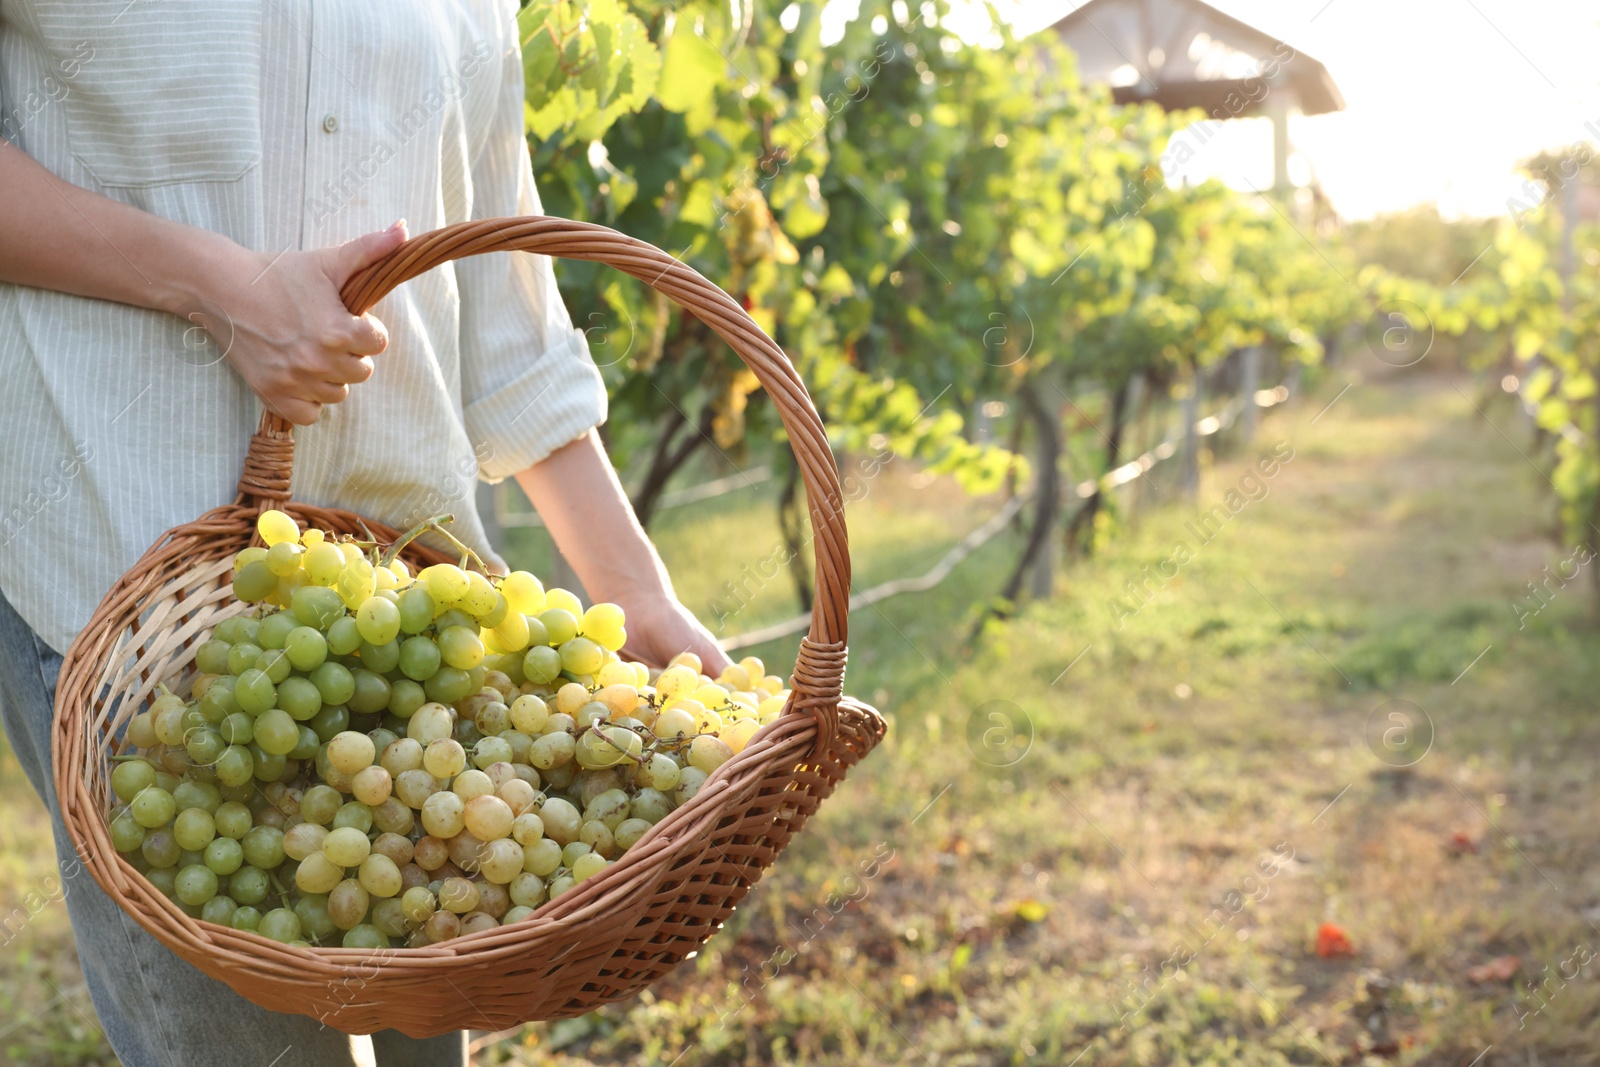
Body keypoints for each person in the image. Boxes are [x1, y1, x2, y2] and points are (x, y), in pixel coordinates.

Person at [0, 1, 728, 1064]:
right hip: (115, 580)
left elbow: (504, 317)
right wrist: (215, 286)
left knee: (425, 1022)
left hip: (406, 619)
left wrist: (637, 588)